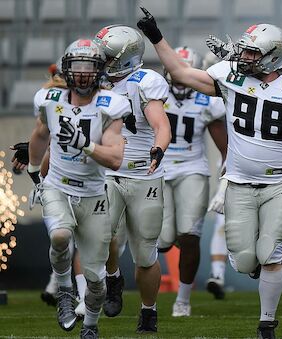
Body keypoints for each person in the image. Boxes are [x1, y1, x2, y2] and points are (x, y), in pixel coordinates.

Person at [137, 9, 282, 338]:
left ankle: (266, 322)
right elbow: (179, 72)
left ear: (271, 57)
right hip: (240, 184)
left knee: (271, 255)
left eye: (251, 51)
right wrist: (156, 37)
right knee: (244, 262)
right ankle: (264, 267)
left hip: (281, 184)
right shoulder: (230, 78)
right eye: (244, 50)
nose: (242, 56)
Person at [27, 39, 130, 339]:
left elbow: (115, 159)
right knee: (59, 235)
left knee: (97, 279)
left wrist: (85, 144)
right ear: (67, 69)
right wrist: (35, 173)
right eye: (78, 67)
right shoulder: (50, 99)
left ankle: (90, 325)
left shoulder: (110, 105)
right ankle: (63, 292)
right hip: (58, 186)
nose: (83, 74)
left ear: (99, 71)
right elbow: (39, 135)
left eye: (89, 67)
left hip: (94, 194)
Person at [93, 24, 171, 333]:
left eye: (106, 56)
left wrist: (158, 148)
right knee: (102, 236)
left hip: (144, 175)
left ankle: (148, 310)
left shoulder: (145, 81)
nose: (99, 61)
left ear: (123, 58)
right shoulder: (93, 83)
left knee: (145, 254)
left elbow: (160, 124)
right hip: (108, 173)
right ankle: (112, 277)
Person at [158, 46, 228, 316]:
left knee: (190, 237)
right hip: (159, 171)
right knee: (162, 241)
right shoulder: (155, 94)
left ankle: (183, 301)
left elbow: (225, 149)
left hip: (192, 169)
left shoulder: (206, 100)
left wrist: (224, 183)